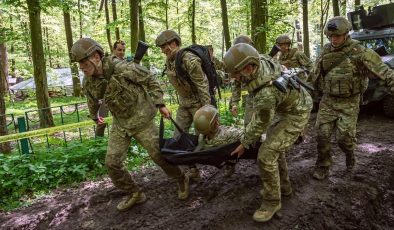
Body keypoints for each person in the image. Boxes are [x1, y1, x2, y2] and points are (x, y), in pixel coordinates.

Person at [70, 37, 190, 211]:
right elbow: (92, 100)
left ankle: (181, 178)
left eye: (82, 62)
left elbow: (150, 79)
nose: (81, 67)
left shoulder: (122, 67)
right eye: (78, 64)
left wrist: (160, 103)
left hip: (142, 119)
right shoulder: (88, 81)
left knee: (159, 156)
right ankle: (135, 193)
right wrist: (95, 117)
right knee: (112, 163)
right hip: (121, 123)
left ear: (96, 56)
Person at [224, 43, 312, 222]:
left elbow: (262, 121)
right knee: (273, 148)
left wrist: (244, 143)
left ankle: (272, 202)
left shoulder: (266, 93)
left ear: (248, 67)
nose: (234, 78)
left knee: (266, 155)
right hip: (284, 107)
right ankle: (285, 187)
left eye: (236, 73)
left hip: (297, 112)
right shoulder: (259, 59)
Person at [311, 16, 394, 180]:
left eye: (337, 36)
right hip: (328, 100)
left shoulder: (359, 51)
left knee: (344, 138)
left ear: (346, 34)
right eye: (331, 36)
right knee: (322, 134)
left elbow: (383, 69)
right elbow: (314, 74)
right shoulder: (325, 51)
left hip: (349, 101)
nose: (334, 39)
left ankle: (350, 155)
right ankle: (323, 166)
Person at [155, 30, 211, 180]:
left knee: (204, 138)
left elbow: (202, 85)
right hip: (184, 104)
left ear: (174, 43)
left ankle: (227, 161)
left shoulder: (189, 59)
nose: (162, 50)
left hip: (199, 103)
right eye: (161, 48)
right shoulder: (170, 61)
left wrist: (207, 110)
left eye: (164, 46)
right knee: (179, 138)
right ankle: (193, 170)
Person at [193, 105, 243, 177]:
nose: (218, 121)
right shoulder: (227, 133)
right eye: (216, 120)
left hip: (218, 158)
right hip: (231, 154)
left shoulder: (201, 138)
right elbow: (245, 134)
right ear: (215, 124)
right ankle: (230, 165)